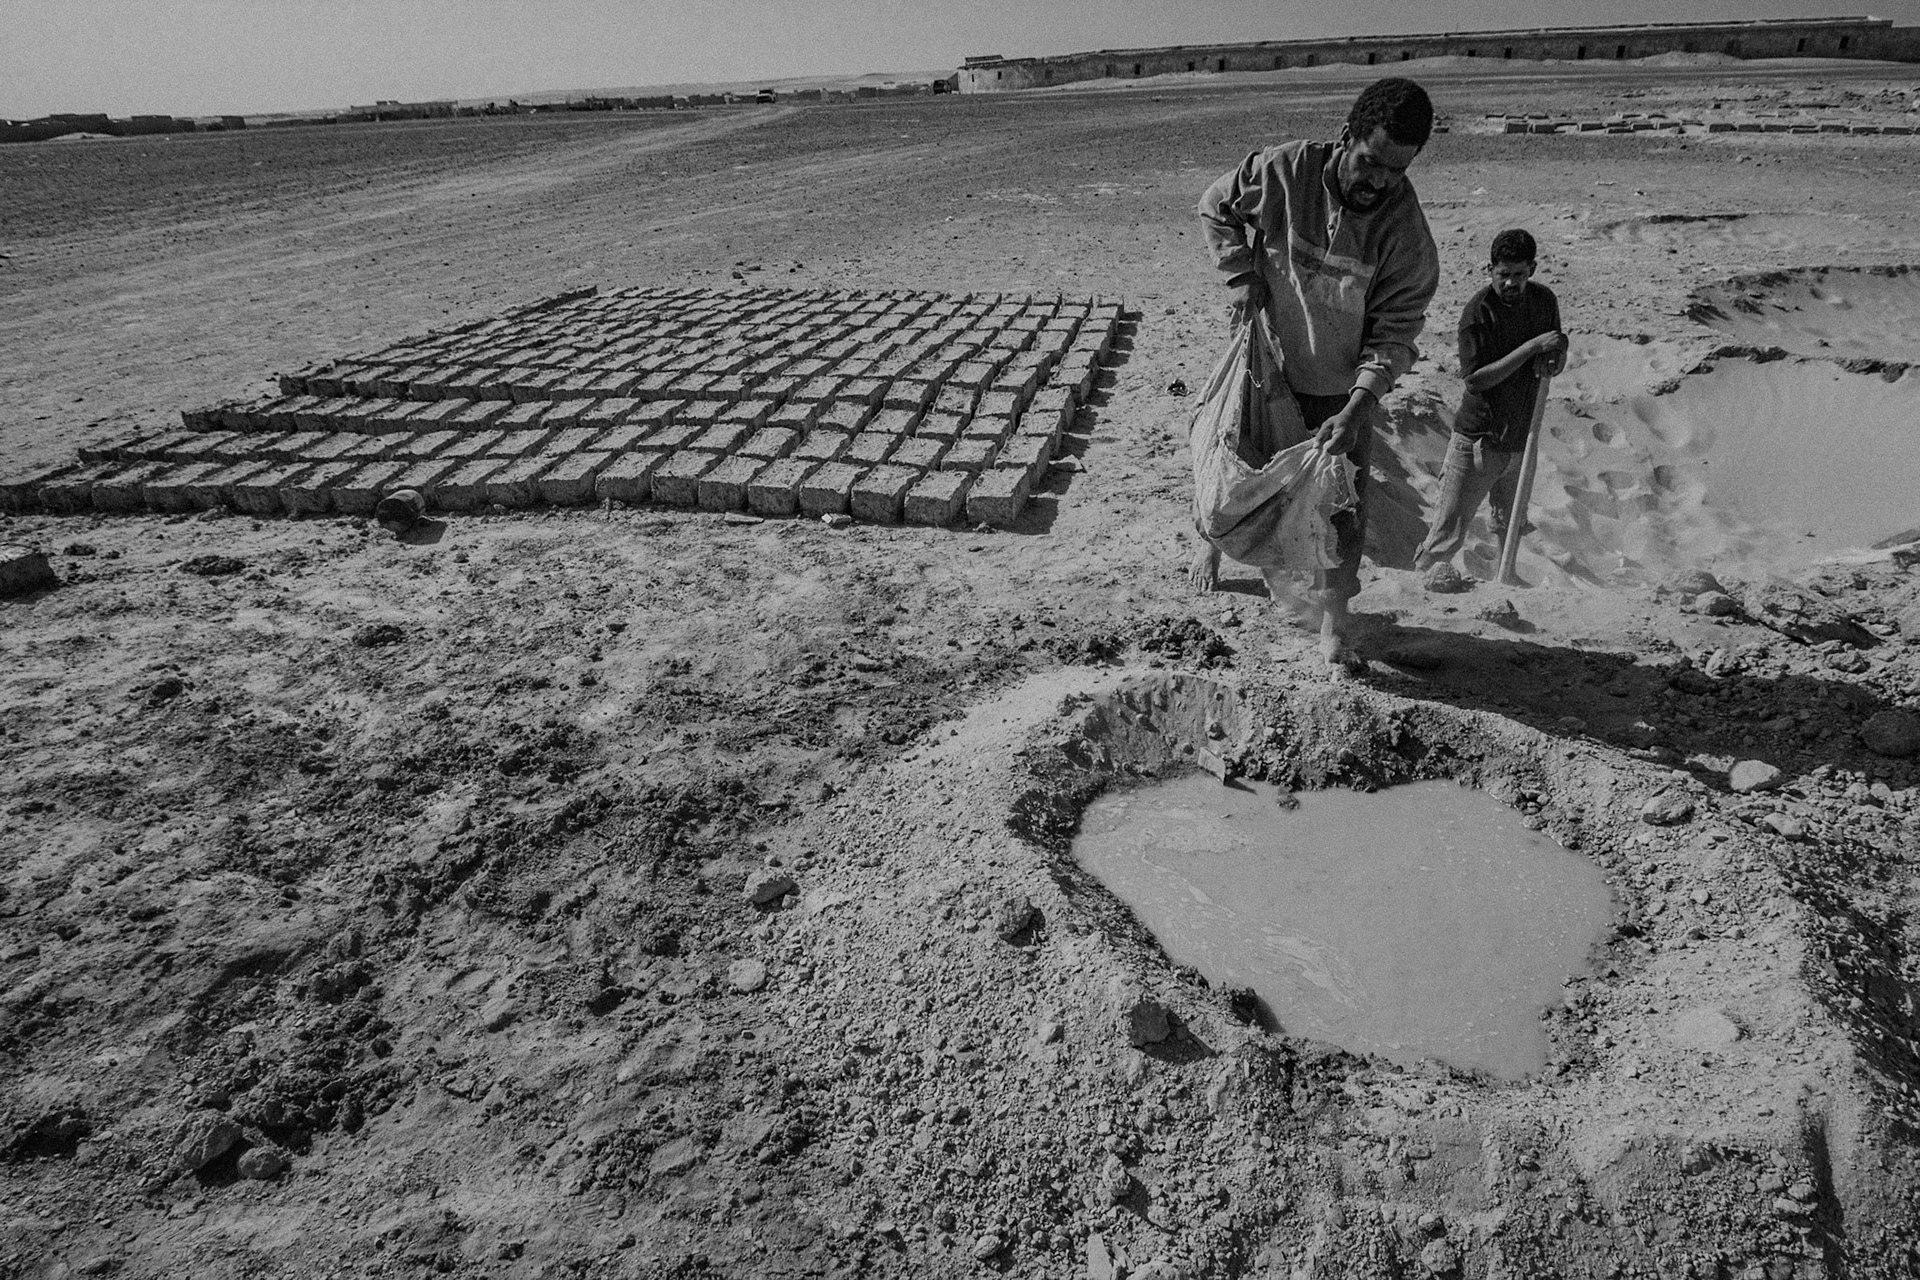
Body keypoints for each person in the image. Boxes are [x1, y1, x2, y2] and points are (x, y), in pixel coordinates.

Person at [1193, 77, 1442, 671]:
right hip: (1268, 365)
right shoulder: (1285, 173)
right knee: (1234, 472)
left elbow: (1395, 335)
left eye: (1394, 172)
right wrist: (1242, 277)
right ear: (1345, 138)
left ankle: (1334, 623)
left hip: (1340, 393)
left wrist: (1358, 405)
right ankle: (1209, 547)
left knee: (1342, 510)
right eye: (1369, 163)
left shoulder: (1405, 236)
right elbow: (1215, 205)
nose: (1377, 182)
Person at [1411, 228, 1567, 585]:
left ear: (1532, 269)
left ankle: (1503, 580)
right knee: (1447, 532)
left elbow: (1555, 344)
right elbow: (1476, 380)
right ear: (1490, 269)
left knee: (1509, 523)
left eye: (1520, 275)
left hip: (1522, 435)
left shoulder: (1544, 300)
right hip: (1478, 439)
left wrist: (1557, 356)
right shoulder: (1478, 313)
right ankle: (1420, 589)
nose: (1512, 283)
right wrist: (1531, 349)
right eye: (1504, 275)